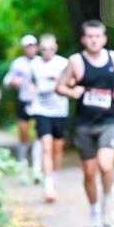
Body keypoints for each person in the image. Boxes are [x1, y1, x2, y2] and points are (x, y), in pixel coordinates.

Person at [57, 20, 114, 227]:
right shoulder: (75, 62)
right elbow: (60, 87)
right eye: (89, 36)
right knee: (89, 173)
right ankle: (94, 212)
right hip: (84, 124)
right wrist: (73, 92)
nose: (94, 40)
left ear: (104, 38)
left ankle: (109, 206)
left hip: (109, 121)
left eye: (98, 36)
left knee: (106, 165)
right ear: (83, 39)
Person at [27, 34, 70, 202]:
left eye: (51, 48)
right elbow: (31, 82)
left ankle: (55, 176)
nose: (47, 51)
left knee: (57, 148)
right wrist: (31, 89)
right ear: (40, 49)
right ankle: (48, 185)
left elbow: (72, 81)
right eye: (44, 48)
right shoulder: (35, 64)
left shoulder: (63, 63)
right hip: (41, 109)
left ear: (56, 48)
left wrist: (58, 79)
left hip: (59, 110)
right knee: (46, 147)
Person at [3, 35, 43, 178]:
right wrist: (14, 81)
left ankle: (37, 165)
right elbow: (6, 80)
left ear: (37, 47)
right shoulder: (18, 63)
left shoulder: (41, 62)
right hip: (24, 100)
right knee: (23, 132)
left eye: (32, 45)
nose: (30, 48)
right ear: (24, 48)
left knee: (40, 133)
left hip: (39, 101)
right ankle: (23, 159)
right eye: (27, 46)